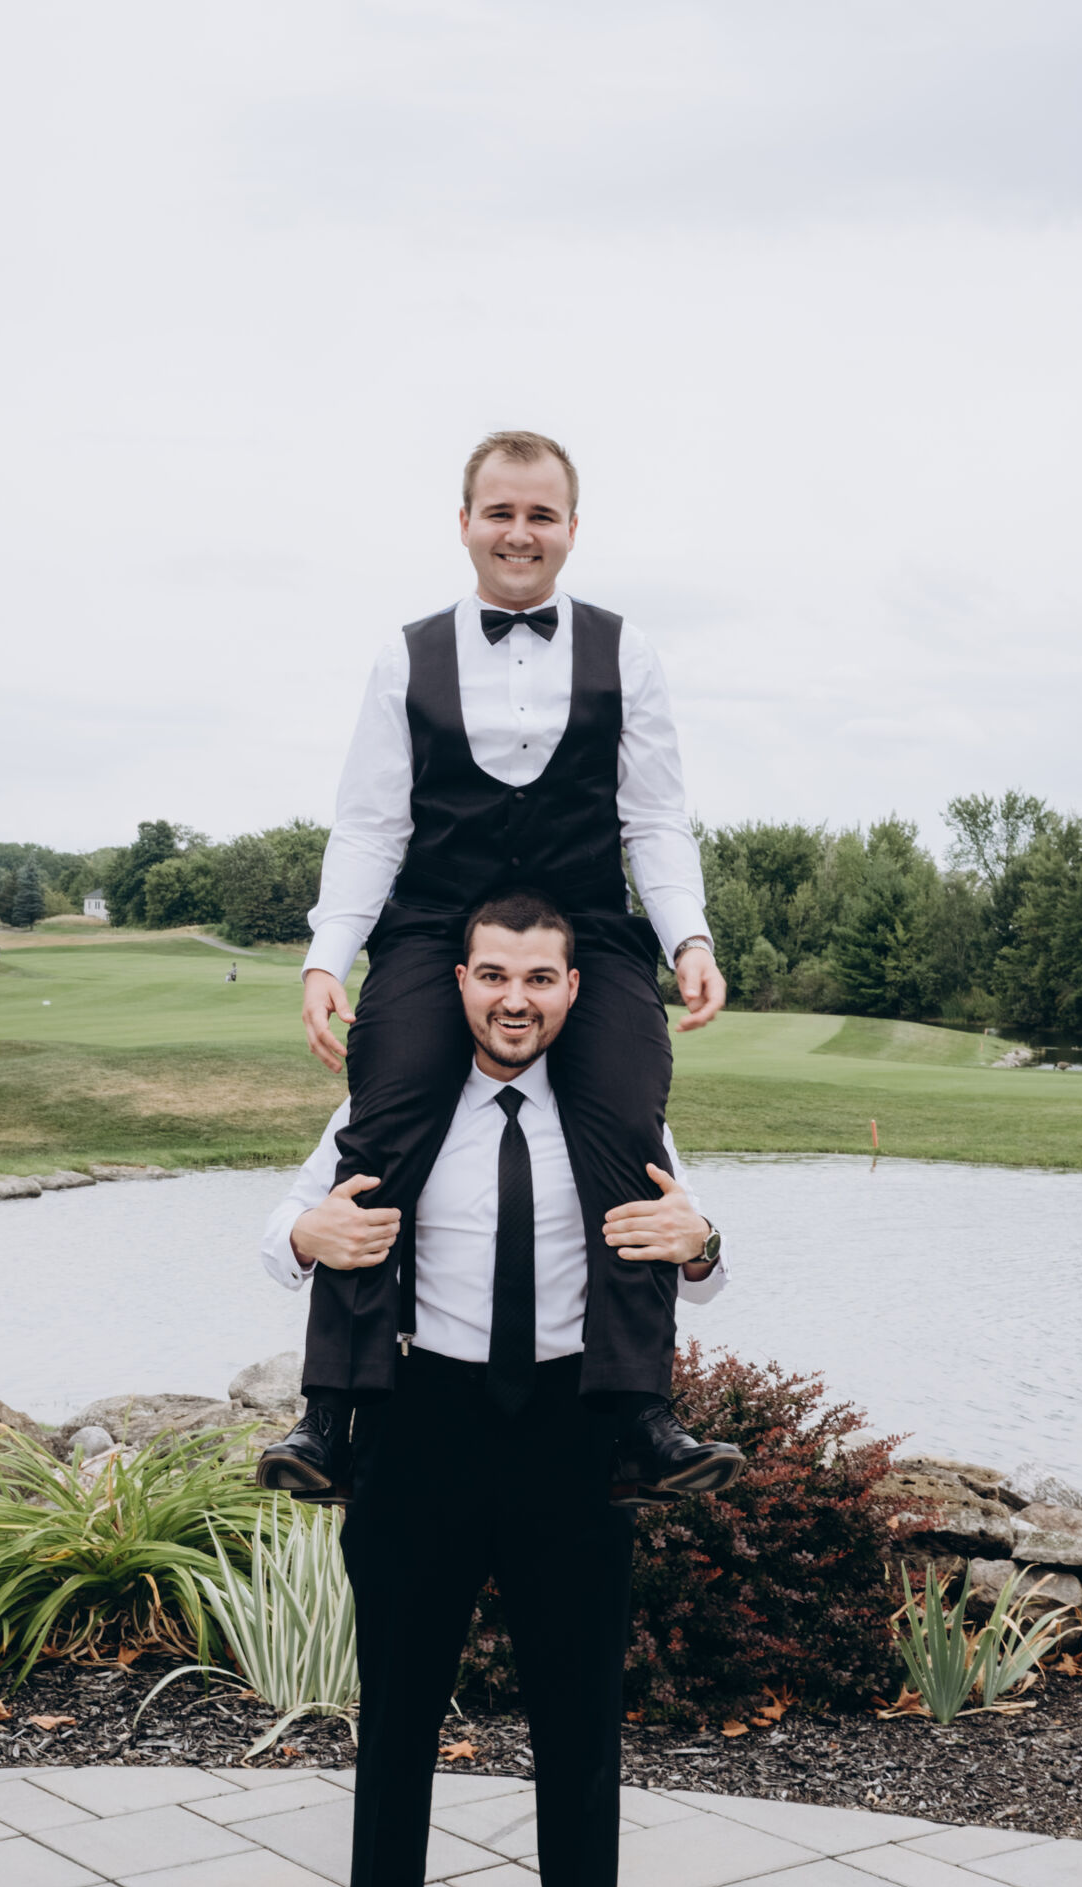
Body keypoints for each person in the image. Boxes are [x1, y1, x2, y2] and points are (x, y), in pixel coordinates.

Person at [259, 894, 740, 1887]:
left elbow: (695, 1263)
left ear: (573, 987)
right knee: (397, 1725)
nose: (513, 1001)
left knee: (580, 1731)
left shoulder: (616, 1115)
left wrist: (701, 1242)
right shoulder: (397, 1106)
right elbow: (283, 1226)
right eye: (492, 976)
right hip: (418, 1430)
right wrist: (305, 1237)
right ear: (459, 982)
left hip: (574, 1436)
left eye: (537, 980)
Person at [290, 429, 727, 1496]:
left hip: (587, 920)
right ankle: (331, 1411)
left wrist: (688, 936)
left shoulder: (627, 650)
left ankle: (638, 1415)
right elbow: (369, 824)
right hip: (437, 922)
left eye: (540, 515)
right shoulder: (406, 653)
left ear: (571, 528)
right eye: (500, 512)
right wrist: (327, 956)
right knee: (385, 1115)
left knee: (626, 1114)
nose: (519, 533)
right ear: (464, 523)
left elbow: (655, 816)